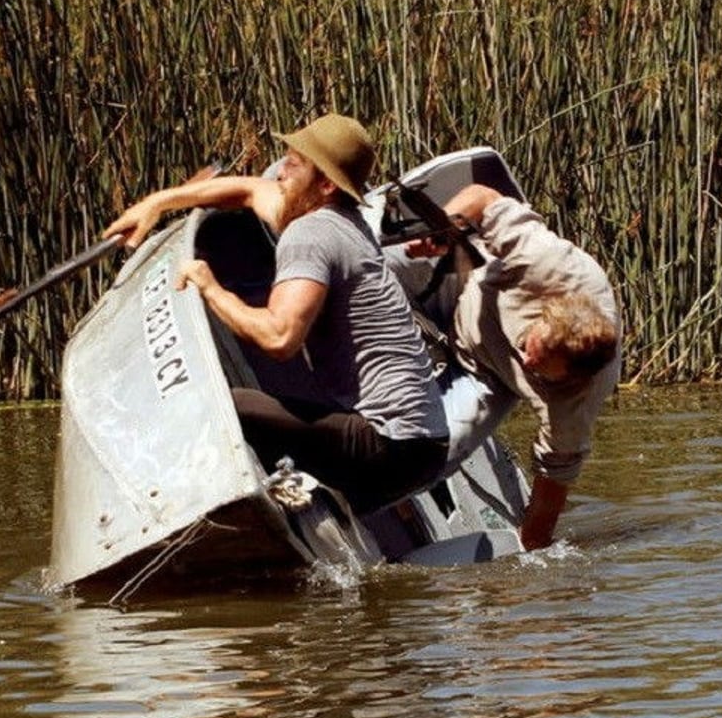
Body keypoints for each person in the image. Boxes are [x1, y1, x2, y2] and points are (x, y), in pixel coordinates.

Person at [103, 114, 449, 516]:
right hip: (425, 448)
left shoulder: (312, 233)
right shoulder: (339, 218)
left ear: (324, 184)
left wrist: (210, 287)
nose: (280, 171)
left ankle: (163, 515)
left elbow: (279, 338)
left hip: (389, 447)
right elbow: (250, 191)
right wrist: (157, 203)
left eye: (294, 164)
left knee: (221, 406)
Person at [405, 183, 621, 549]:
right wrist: (444, 230)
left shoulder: (571, 409)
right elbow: (483, 197)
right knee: (374, 262)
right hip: (467, 282)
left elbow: (552, 489)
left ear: (571, 378)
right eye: (528, 347)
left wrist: (529, 557)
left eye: (539, 368)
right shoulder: (544, 261)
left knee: (424, 459)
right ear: (546, 312)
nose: (525, 360)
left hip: (485, 374)